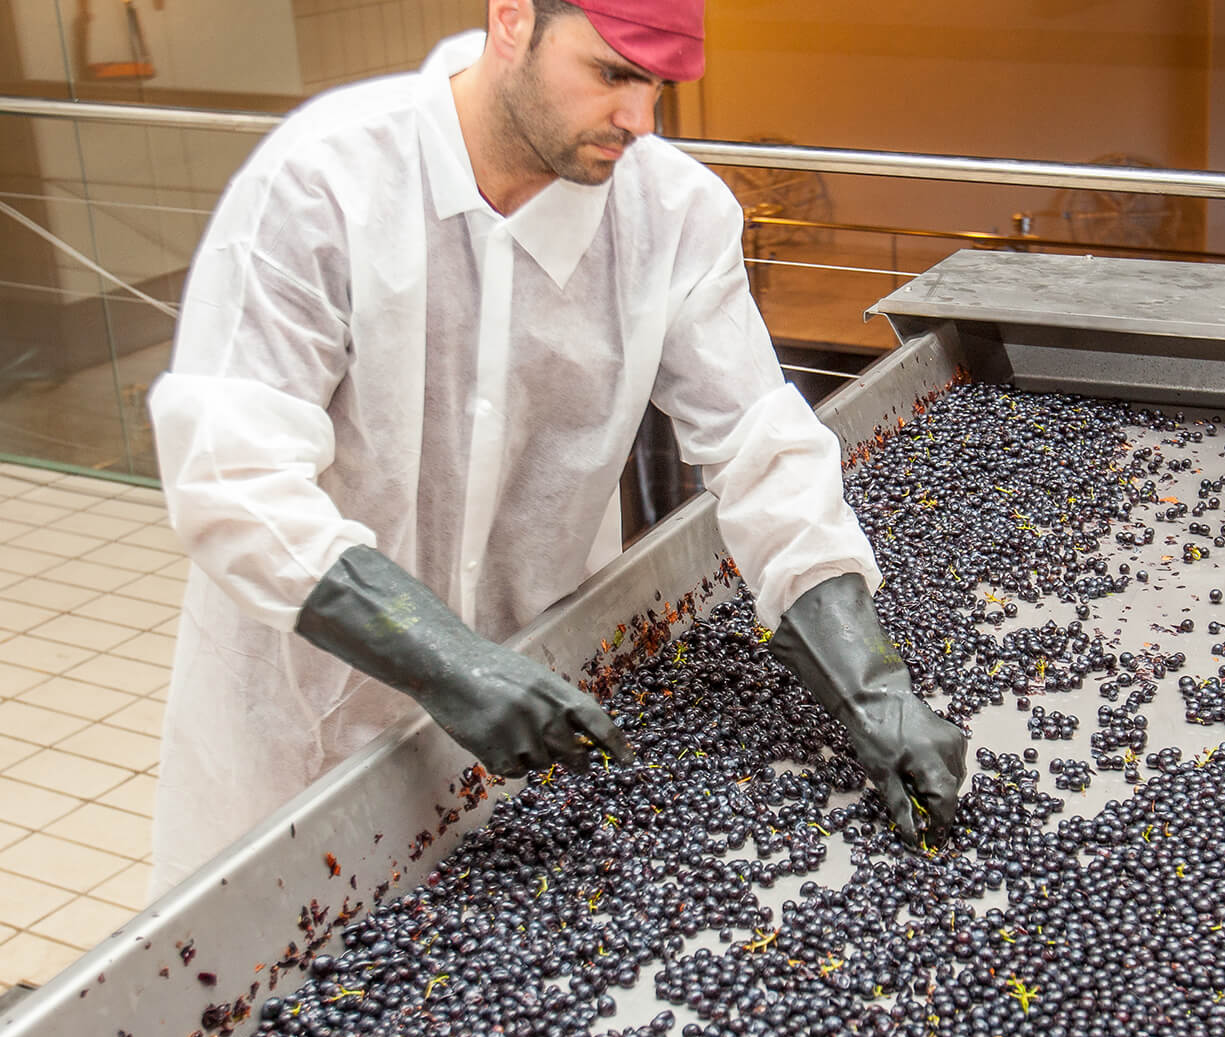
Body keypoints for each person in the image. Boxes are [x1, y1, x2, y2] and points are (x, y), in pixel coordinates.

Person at [145, 0, 966, 896]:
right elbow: (231, 477)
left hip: (541, 717)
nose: (639, 120)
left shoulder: (673, 216)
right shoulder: (325, 182)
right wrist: (444, 659)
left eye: (656, 85)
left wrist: (870, 681)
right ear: (511, 20)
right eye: (612, 73)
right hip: (309, 709)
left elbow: (759, 444)